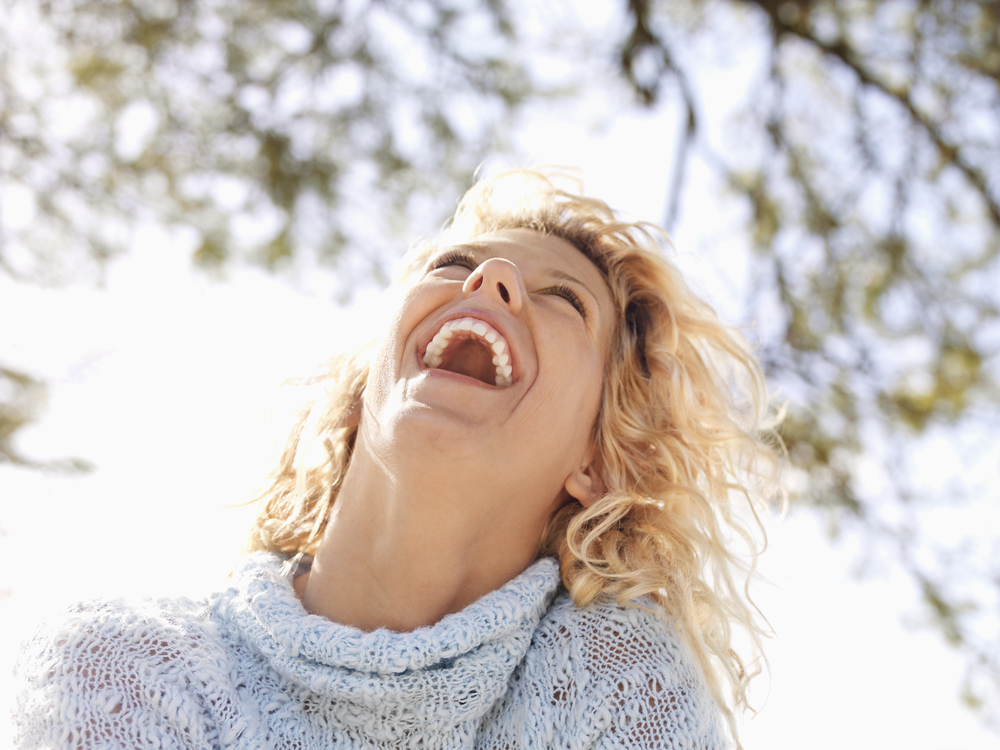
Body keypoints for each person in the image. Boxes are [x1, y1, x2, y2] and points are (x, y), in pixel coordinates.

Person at [14, 169, 780, 749]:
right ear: (363, 388)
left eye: (565, 299)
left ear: (599, 463)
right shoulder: (117, 670)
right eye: (454, 265)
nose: (492, 280)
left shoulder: (620, 682)